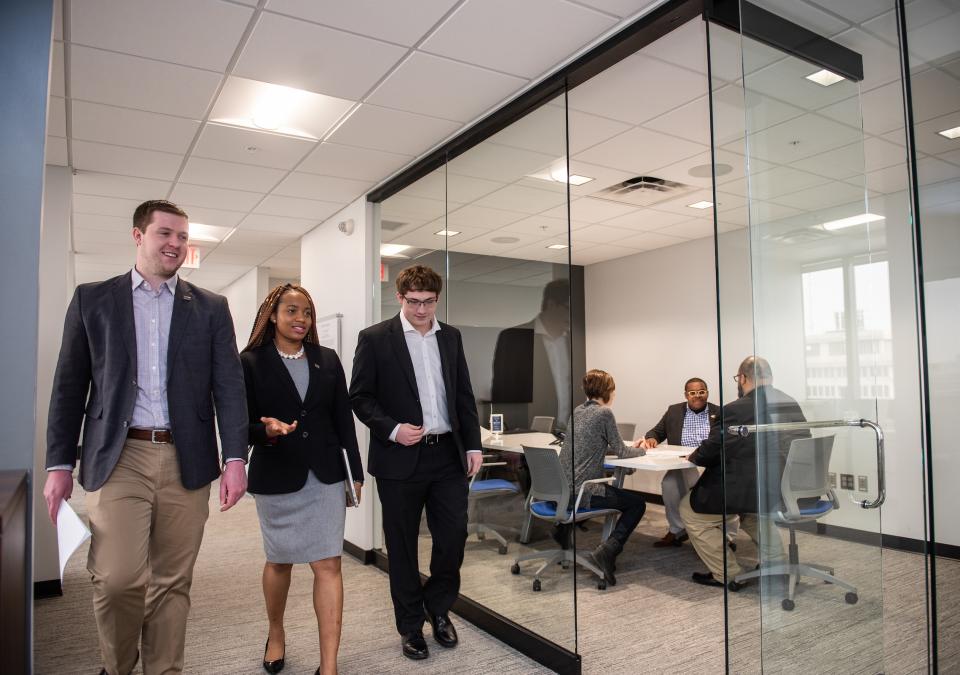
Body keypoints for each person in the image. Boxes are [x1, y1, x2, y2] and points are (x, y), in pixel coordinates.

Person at [42, 199, 248, 675]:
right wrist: (58, 464)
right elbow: (69, 386)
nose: (175, 243)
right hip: (119, 456)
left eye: (182, 236)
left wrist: (235, 456)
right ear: (139, 236)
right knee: (118, 580)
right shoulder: (93, 299)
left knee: (172, 582)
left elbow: (229, 387)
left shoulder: (211, 308)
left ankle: (164, 669)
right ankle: (117, 667)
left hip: (186, 457)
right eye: (165, 233)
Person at [349, 265, 483, 661]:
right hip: (399, 458)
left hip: (447, 456)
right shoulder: (375, 339)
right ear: (400, 297)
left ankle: (438, 609)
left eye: (428, 302)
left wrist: (472, 445)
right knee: (402, 547)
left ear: (437, 299)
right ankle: (411, 626)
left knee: (453, 538)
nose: (422, 310)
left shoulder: (451, 337)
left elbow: (463, 394)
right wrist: (392, 429)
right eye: (414, 302)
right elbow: (360, 397)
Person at [241, 284, 364, 675]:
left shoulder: (326, 360)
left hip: (325, 474)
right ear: (272, 315)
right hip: (278, 474)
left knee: (328, 564)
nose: (300, 319)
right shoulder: (250, 362)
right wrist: (266, 431)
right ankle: (276, 632)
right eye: (292, 311)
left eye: (307, 313)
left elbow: (343, 419)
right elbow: (237, 425)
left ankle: (329, 666)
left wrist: (354, 473)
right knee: (279, 561)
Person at [679, 356, 808, 588]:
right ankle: (776, 564)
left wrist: (695, 456)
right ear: (770, 377)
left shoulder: (733, 410)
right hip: (781, 488)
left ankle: (727, 573)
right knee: (754, 513)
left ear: (744, 378)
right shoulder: (788, 402)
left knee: (690, 512)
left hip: (747, 488)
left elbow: (710, 453)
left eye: (739, 379)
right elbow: (801, 444)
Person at [560, 369, 647, 586]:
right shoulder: (604, 413)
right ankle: (608, 550)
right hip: (584, 491)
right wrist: (644, 449)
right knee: (637, 504)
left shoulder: (577, 411)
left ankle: (559, 530)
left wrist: (623, 448)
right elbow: (623, 453)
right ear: (607, 391)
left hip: (562, 491)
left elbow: (594, 446)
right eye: (614, 390)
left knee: (624, 498)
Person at [636, 377, 720, 548]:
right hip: (682, 463)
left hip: (710, 463)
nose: (698, 396)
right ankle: (677, 530)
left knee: (713, 486)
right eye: (693, 393)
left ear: (707, 393)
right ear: (686, 395)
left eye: (701, 392)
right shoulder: (674, 411)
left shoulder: (719, 412)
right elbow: (656, 431)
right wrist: (652, 438)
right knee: (669, 484)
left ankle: (723, 535)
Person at [490, 278, 571, 431]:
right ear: (551, 305)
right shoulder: (514, 338)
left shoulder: (571, 343)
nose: (573, 316)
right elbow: (502, 393)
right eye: (568, 309)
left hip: (570, 436)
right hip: (527, 433)